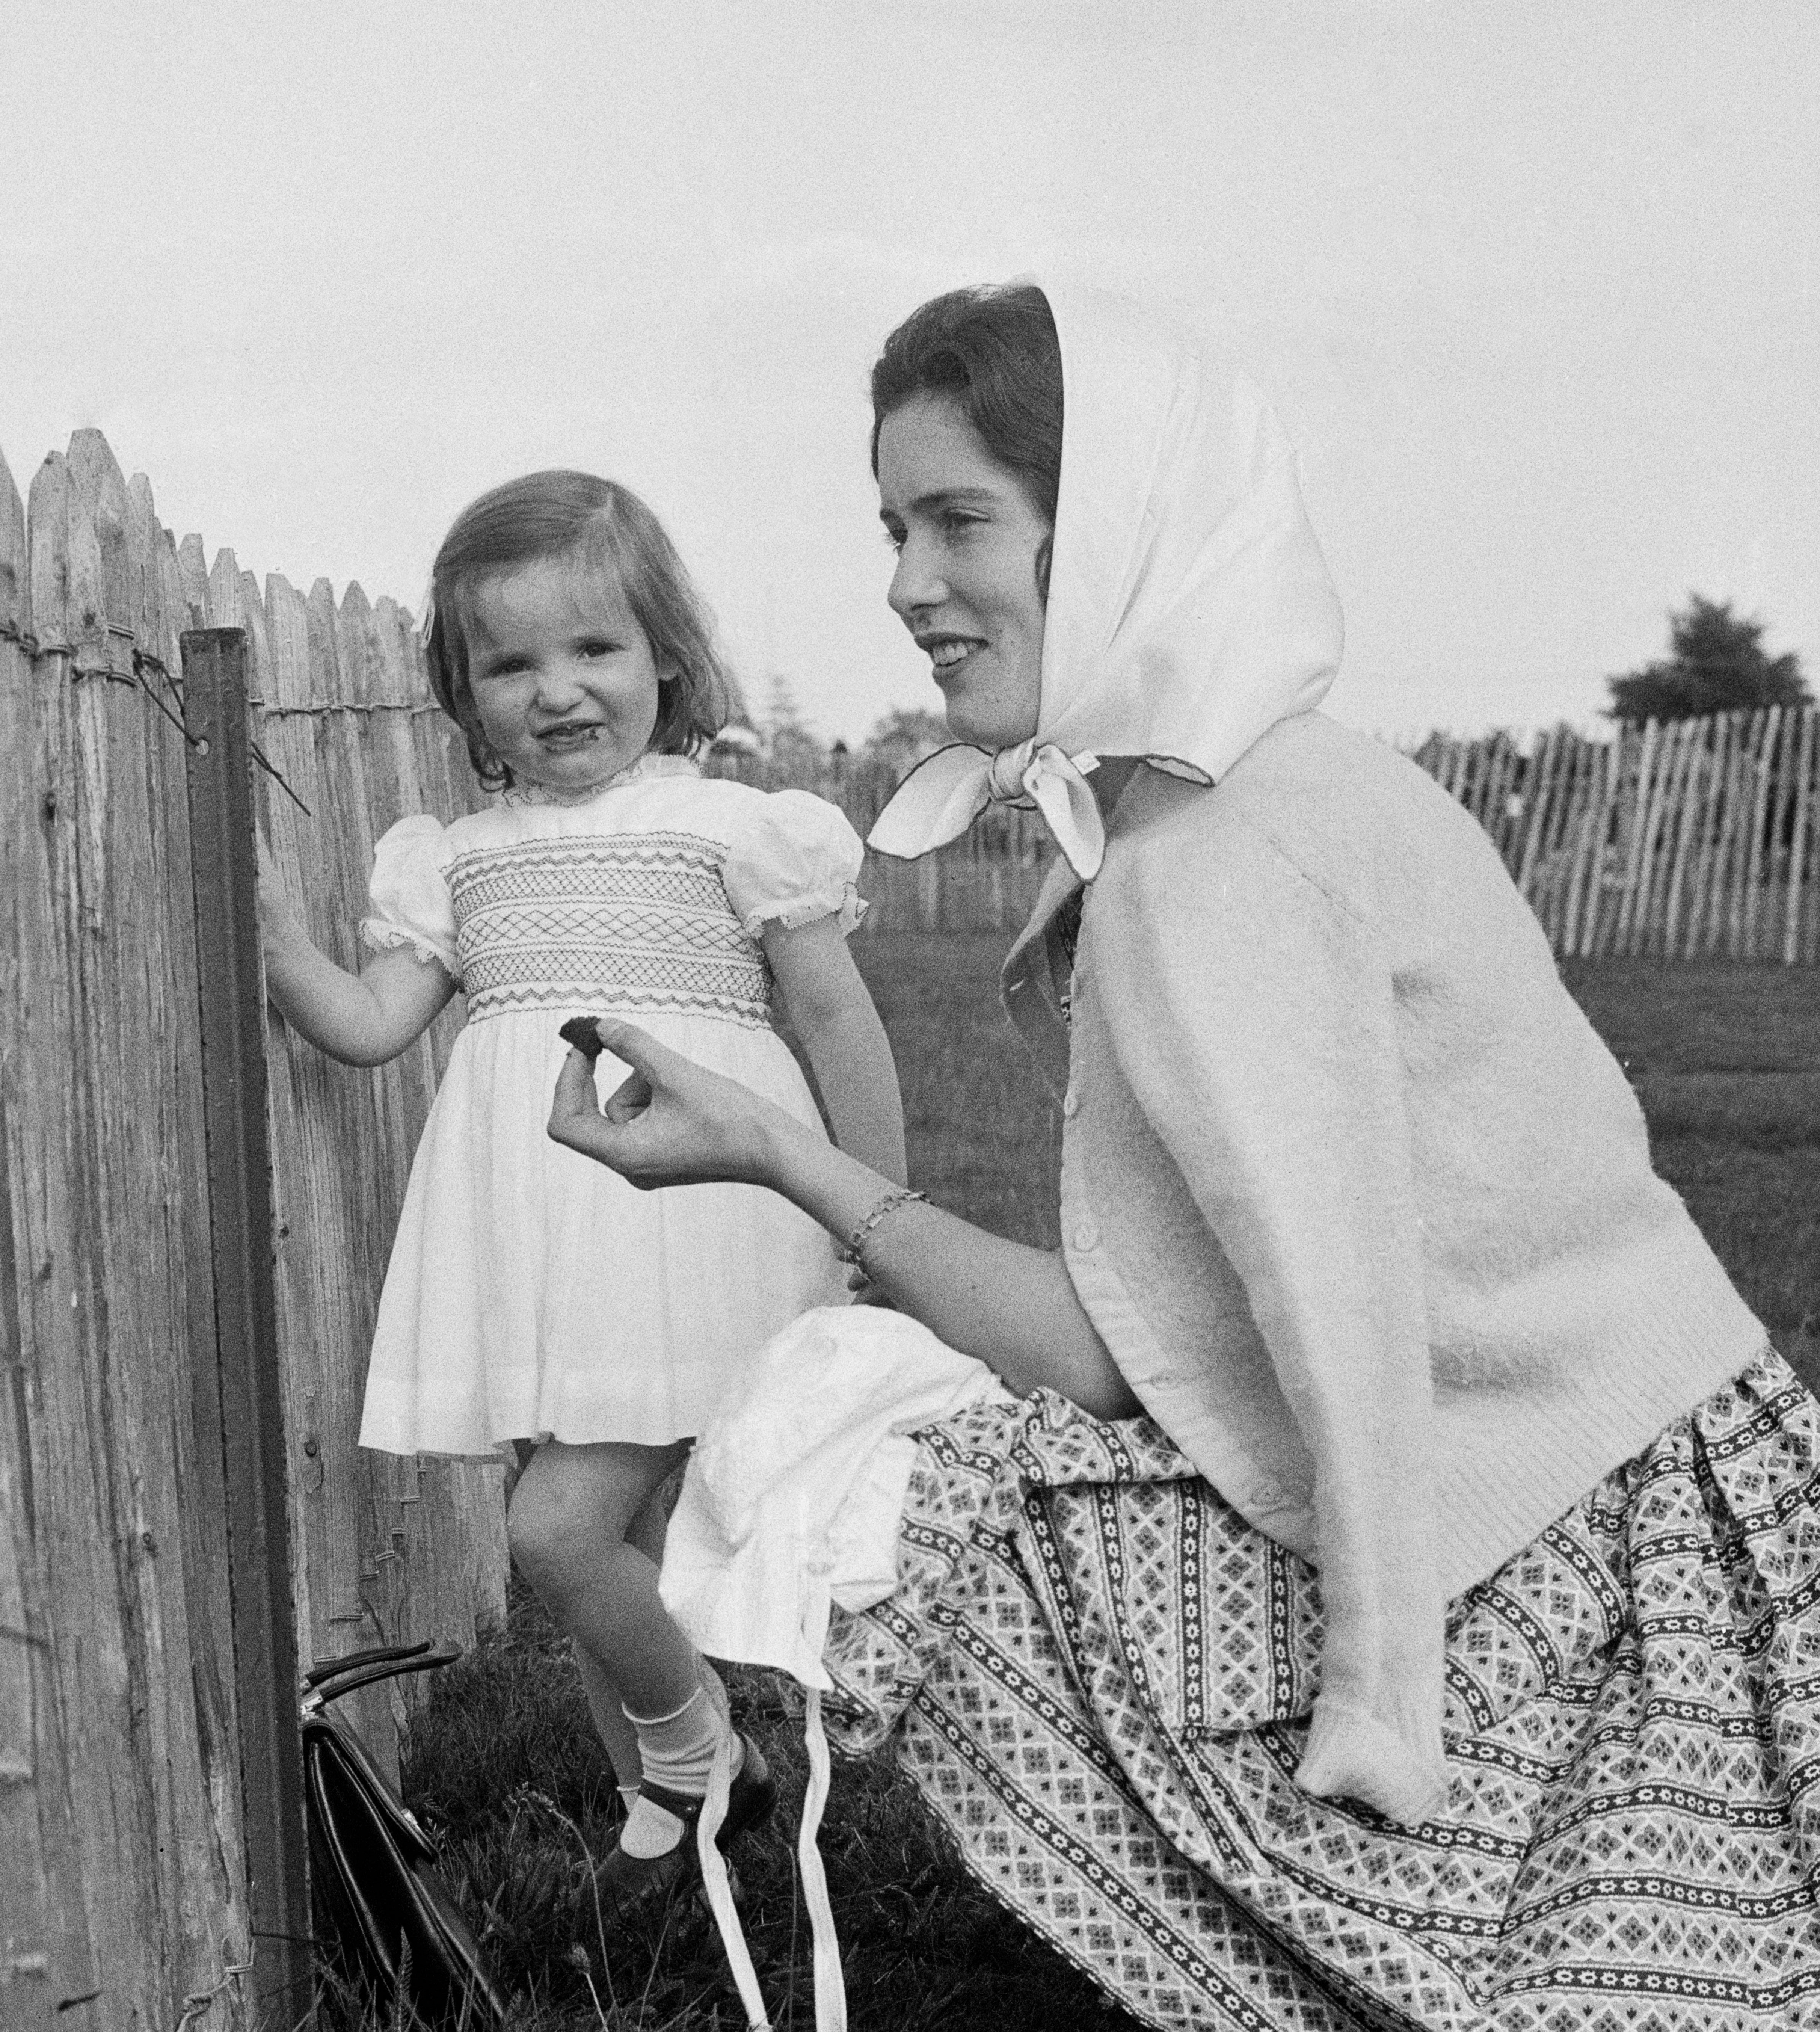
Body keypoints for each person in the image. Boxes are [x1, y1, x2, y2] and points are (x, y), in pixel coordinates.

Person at [548, 284, 1820, 2024]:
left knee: (916, 1499)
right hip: (1671, 1465)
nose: (909, 585)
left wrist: (1378, 1696)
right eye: (891, 528)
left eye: (960, 522)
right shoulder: (1272, 775)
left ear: (1125, 523)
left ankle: (1372, 1930)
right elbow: (1216, 1313)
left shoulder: (1217, 860)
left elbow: (1275, 1323)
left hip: (1597, 1551)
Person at [257, 469, 906, 1907]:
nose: (557, 691)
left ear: (665, 656)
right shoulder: (462, 862)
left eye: (594, 650)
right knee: (597, 1542)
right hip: (535, 1240)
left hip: (692, 1223)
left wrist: (881, 1214)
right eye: (510, 663)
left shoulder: (734, 830)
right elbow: (369, 1025)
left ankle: (701, 1751)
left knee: (557, 1530)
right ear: (463, 691)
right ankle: (659, 1809)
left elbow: (841, 1024)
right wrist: (265, 928)